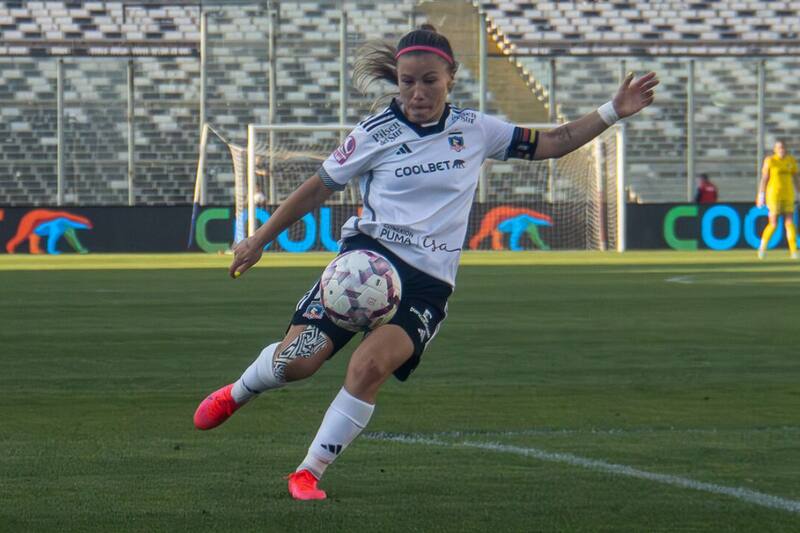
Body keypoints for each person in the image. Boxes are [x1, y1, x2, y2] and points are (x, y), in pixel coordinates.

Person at [192, 26, 659, 500]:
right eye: (407, 81)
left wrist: (612, 111)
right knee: (296, 364)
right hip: (365, 265)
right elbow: (317, 188)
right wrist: (259, 240)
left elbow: (555, 140)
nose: (417, 93)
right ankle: (239, 391)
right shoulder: (373, 133)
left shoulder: (476, 130)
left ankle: (307, 473)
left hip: (426, 285)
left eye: (429, 81)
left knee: (369, 367)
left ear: (450, 78)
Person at [757, 140, 799, 259]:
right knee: (773, 223)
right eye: (779, 147)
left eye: (783, 147)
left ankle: (793, 251)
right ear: (775, 149)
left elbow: (796, 178)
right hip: (774, 195)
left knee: (789, 222)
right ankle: (762, 247)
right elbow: (764, 179)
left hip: (788, 195)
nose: (781, 149)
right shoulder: (770, 160)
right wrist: (761, 195)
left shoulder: (791, 161)